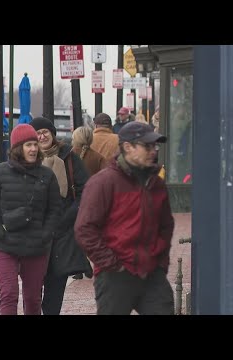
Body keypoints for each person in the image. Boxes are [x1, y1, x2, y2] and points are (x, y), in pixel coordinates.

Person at [74, 121, 175, 315]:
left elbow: (166, 225)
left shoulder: (156, 184)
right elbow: (84, 229)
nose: (153, 150)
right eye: (147, 146)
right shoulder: (103, 182)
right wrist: (112, 264)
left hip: (151, 272)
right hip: (115, 275)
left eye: (155, 146)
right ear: (128, 147)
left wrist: (161, 262)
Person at [0, 124, 64, 315]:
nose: (34, 149)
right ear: (18, 148)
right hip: (5, 245)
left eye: (35, 144)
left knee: (33, 299)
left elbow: (55, 209)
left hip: (36, 246)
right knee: (9, 294)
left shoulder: (47, 176)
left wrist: (45, 235)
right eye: (28, 145)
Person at [29, 116, 90, 315]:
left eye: (45, 131)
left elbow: (85, 192)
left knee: (55, 290)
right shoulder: (27, 161)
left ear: (53, 134)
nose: (42, 135)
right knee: (33, 291)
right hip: (35, 235)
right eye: (37, 133)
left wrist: (68, 217)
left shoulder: (70, 158)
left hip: (62, 234)